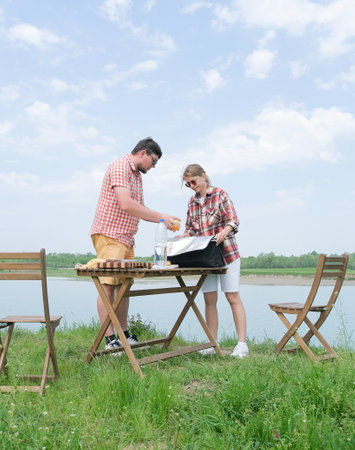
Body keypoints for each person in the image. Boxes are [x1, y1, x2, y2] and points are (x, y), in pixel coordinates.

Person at [90, 137, 180, 351]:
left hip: (127, 237)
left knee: (124, 287)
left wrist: (162, 218)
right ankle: (110, 339)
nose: (154, 166)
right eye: (154, 161)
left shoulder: (137, 175)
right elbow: (126, 203)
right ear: (143, 153)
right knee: (108, 287)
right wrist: (160, 216)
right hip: (110, 234)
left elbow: (139, 206)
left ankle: (124, 334)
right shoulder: (120, 166)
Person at [182, 163, 248, 358]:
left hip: (227, 254)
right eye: (188, 184)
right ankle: (212, 343)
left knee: (232, 297)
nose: (192, 186)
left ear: (203, 176)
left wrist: (225, 231)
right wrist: (183, 236)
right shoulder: (191, 203)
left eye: (193, 181)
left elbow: (233, 220)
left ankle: (242, 345)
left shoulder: (220, 194)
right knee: (209, 299)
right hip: (206, 259)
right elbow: (191, 230)